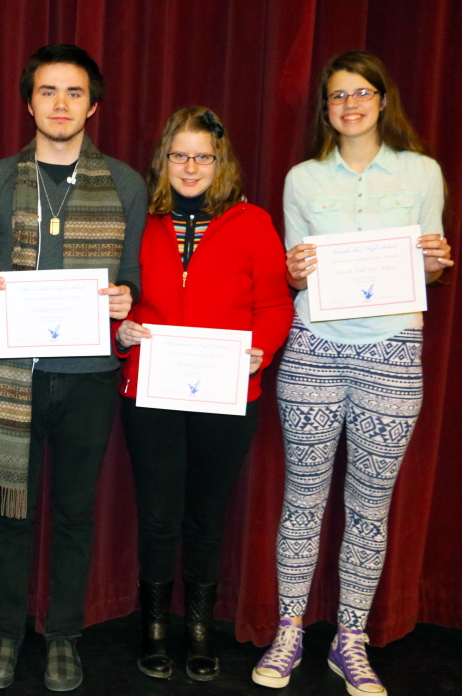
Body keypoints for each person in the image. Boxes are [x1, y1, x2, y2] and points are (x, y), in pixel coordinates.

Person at [252, 51, 452, 696]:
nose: (350, 104)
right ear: (326, 109)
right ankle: (288, 630)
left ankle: (350, 638)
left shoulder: (423, 172)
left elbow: (431, 269)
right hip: (314, 346)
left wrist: (438, 262)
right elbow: (292, 268)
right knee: (303, 496)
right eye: (337, 96)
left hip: (393, 350)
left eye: (361, 92)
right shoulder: (303, 179)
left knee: (370, 504)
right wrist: (297, 271)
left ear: (382, 99)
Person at [0, 44, 147, 692]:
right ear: (28, 102)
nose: (61, 104)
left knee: (74, 514)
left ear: (92, 105)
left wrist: (126, 295)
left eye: (74, 93)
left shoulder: (126, 184)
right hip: (16, 375)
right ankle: (5, 634)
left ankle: (64, 636)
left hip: (89, 379)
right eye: (48, 91)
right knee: (9, 513)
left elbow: (129, 279)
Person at [114, 107, 293, 682]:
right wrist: (120, 332)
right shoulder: (140, 220)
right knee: (160, 515)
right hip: (152, 389)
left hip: (228, 392)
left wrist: (260, 350)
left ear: (221, 162)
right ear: (163, 161)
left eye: (203, 156)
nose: (191, 167)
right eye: (179, 155)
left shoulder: (254, 222)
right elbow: (118, 299)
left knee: (207, 517)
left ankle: (198, 627)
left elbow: (274, 305)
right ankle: (154, 627)